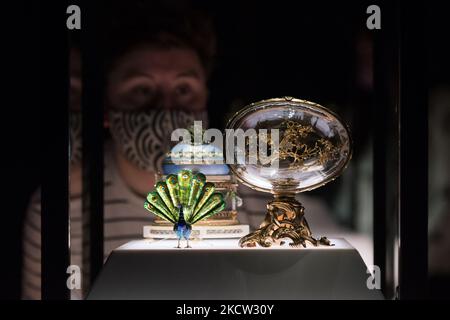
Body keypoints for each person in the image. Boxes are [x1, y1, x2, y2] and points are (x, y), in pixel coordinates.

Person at [22, 5, 216, 300]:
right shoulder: (61, 211)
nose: (165, 109)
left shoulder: (258, 198)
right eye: (141, 90)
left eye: (184, 90)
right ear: (105, 105)